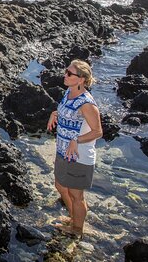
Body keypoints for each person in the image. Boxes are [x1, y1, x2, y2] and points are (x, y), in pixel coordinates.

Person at [46, 60, 103, 238]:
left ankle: (77, 229)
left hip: (79, 155)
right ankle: (73, 218)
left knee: (76, 195)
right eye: (66, 71)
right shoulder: (68, 93)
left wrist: (76, 140)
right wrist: (54, 114)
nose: (65, 75)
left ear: (81, 80)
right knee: (60, 186)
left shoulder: (86, 103)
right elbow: (67, 112)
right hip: (63, 150)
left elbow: (98, 132)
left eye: (70, 74)